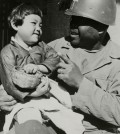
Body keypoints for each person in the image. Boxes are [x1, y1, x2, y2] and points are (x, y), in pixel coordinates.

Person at [1, 0, 120, 134]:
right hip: (51, 125)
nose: (72, 24)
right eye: (72, 18)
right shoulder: (55, 47)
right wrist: (3, 98)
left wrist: (81, 83)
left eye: (80, 20)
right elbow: (19, 76)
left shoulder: (116, 63)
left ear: (101, 28)